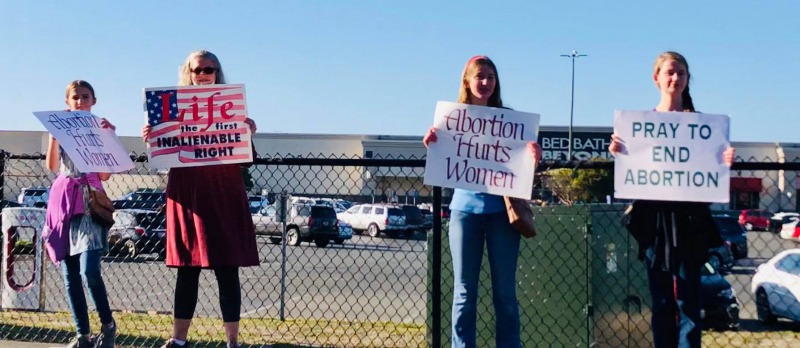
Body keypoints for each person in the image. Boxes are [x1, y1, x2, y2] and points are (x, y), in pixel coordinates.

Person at [609, 51, 735, 347]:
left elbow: (709, 168)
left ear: (688, 79)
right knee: (662, 299)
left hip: (690, 220)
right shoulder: (639, 125)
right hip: (655, 221)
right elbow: (635, 166)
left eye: (681, 73)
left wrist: (724, 159)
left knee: (689, 301)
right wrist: (618, 151)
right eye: (669, 72)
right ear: (656, 78)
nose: (675, 78)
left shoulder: (702, 127)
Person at [142, 50, 259, 348]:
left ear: (218, 73)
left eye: (210, 69)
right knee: (187, 269)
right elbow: (163, 154)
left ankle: (232, 342)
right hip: (189, 196)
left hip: (224, 195)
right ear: (189, 73)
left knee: (227, 270)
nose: (204, 74)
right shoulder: (169, 108)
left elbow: (247, 161)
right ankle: (178, 341)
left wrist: (247, 135)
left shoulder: (231, 108)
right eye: (198, 70)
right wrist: (154, 137)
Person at [423, 55, 541, 348]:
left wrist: (534, 158)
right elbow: (444, 159)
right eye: (480, 77)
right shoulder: (452, 120)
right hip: (465, 212)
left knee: (505, 294)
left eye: (491, 77)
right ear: (467, 81)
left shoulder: (510, 120)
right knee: (464, 293)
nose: (486, 82)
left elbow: (522, 167)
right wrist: (433, 144)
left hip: (503, 213)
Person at [44, 80, 116, 348]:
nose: (80, 101)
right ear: (67, 102)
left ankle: (108, 325)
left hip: (91, 203)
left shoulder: (100, 129)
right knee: (70, 273)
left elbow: (106, 174)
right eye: (75, 97)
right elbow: (52, 166)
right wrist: (54, 135)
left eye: (85, 97)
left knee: (89, 271)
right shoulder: (61, 130)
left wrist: (109, 138)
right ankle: (82, 335)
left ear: (93, 101)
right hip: (63, 202)